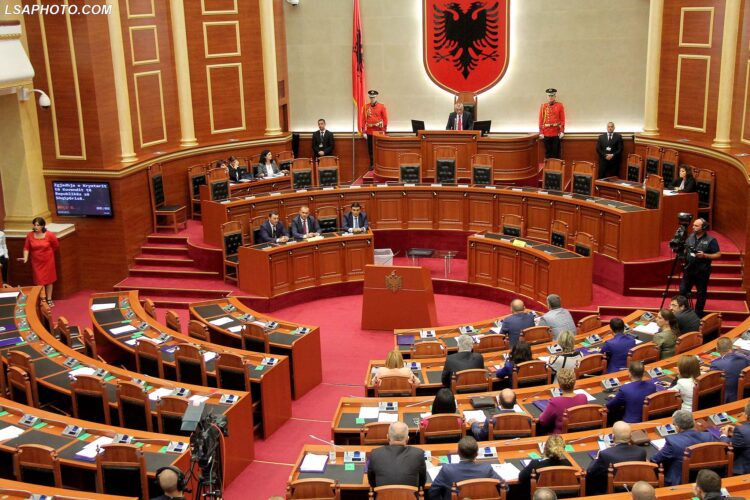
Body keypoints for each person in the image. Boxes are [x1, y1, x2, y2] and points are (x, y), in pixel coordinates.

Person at [651, 410, 719, 486]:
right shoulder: (708, 436)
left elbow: (654, 460)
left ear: (677, 427)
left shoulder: (672, 442)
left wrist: (664, 450)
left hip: (678, 481)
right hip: (704, 478)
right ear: (693, 423)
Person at [427, 436, 501, 500]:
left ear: (458, 452)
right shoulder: (486, 469)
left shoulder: (447, 470)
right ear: (477, 454)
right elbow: (504, 487)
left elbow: (433, 493)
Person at [586, 421, 647, 495]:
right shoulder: (641, 452)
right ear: (631, 436)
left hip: (611, 491)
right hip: (634, 489)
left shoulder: (605, 454)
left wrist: (597, 457)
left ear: (613, 436)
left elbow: (590, 471)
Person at [680, 218, 721, 317]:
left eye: (696, 225)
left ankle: (698, 315)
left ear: (704, 227)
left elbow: (718, 254)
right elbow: (686, 250)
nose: (693, 227)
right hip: (688, 270)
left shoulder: (711, 240)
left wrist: (705, 255)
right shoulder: (690, 237)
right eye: (693, 225)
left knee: (701, 294)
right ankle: (682, 313)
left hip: (702, 272)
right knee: (682, 291)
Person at [367, 421, 426, 487]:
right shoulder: (418, 454)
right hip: (410, 496)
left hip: (383, 496)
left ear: (387, 437)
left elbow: (372, 482)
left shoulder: (375, 454)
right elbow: (422, 483)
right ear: (407, 439)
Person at [538, 368, 588, 434]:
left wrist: (542, 414)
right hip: (580, 434)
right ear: (574, 382)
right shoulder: (583, 397)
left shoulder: (555, 402)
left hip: (559, 438)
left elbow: (543, 421)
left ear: (559, 384)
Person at [23, 217, 59, 307]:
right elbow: (26, 248)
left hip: (48, 260)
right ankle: (43, 299)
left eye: (38, 225)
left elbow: (56, 246)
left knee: (49, 280)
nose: (35, 227)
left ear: (42, 226)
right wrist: (25, 258)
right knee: (40, 281)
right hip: (36, 261)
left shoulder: (49, 235)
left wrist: (48, 253)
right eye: (34, 225)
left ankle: (49, 299)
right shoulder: (30, 235)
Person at [711, 337, 749, 403]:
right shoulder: (743, 358)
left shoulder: (716, 364)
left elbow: (712, 382)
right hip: (744, 394)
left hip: (726, 398)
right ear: (731, 347)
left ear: (716, 349)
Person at [720, 400, 750, 474]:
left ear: (746, 416)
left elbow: (728, 445)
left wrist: (723, 435)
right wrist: (736, 431)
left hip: (744, 470)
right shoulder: (742, 430)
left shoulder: (741, 430)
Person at [363, 89, 388, 169]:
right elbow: (363, 119)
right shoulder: (366, 107)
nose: (372, 99)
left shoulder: (381, 106)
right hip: (370, 132)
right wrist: (363, 131)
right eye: (371, 97)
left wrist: (384, 130)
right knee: (370, 150)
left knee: (379, 149)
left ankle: (380, 165)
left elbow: (385, 119)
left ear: (376, 97)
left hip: (378, 132)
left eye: (373, 97)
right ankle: (372, 165)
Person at [538, 88, 565, 159]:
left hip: (556, 132)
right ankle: (548, 169)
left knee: (556, 153)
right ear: (547, 97)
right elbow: (540, 120)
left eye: (552, 96)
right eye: (549, 96)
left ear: (555, 96)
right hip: (546, 132)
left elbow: (562, 119)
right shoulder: (543, 106)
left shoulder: (559, 105)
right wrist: (541, 132)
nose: (550, 97)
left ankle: (556, 169)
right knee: (548, 153)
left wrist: (562, 131)